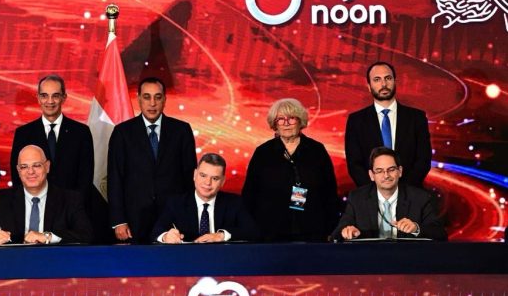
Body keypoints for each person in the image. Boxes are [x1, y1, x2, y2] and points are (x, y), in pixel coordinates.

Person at [108, 77, 197, 243]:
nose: (152, 103)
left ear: (164, 100)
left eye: (158, 97)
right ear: (139, 99)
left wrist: (189, 215)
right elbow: (115, 178)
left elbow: (190, 177)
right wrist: (119, 220)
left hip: (174, 218)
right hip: (134, 219)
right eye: (147, 97)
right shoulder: (122, 132)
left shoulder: (181, 131)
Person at [241, 98, 339, 242]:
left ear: (300, 121)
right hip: (271, 232)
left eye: (291, 118)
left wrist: (331, 228)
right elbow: (250, 194)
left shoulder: (317, 150)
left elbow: (330, 192)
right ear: (275, 124)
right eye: (281, 119)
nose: (286, 123)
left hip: (313, 230)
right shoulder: (263, 153)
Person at [8, 75, 99, 218]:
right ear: (38, 98)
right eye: (44, 96)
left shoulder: (81, 132)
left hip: (71, 211)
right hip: (34, 210)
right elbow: (18, 176)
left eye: (55, 96)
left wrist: (74, 209)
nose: (50, 101)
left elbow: (85, 177)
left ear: (64, 97)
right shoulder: (23, 134)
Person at [0, 145, 92, 246]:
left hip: (55, 262)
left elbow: (86, 235)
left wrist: (47, 237)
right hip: (14, 263)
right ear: (18, 171)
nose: (30, 171)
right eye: (24, 167)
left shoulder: (70, 199)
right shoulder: (2, 199)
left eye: (36, 165)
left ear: (47, 167)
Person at [345, 61, 432, 187]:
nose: (383, 84)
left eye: (388, 78)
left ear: (395, 82)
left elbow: (423, 160)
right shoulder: (356, 121)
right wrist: (377, 193)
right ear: (369, 86)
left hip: (410, 194)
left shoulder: (417, 118)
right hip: (371, 195)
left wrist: (403, 193)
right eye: (377, 79)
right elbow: (354, 164)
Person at [334, 147, 447, 241]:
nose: (386, 175)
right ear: (371, 175)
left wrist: (416, 229)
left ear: (400, 171)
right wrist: (347, 232)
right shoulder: (357, 198)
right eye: (379, 171)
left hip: (407, 258)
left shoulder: (419, 197)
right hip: (369, 258)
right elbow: (336, 234)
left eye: (391, 169)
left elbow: (440, 233)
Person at [152, 153, 259, 243]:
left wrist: (222, 235)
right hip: (186, 258)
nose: (208, 183)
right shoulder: (176, 203)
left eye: (215, 178)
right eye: (203, 175)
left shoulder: (235, 203)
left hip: (223, 259)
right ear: (195, 175)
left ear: (223, 181)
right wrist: (165, 236)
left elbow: (253, 232)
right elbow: (156, 231)